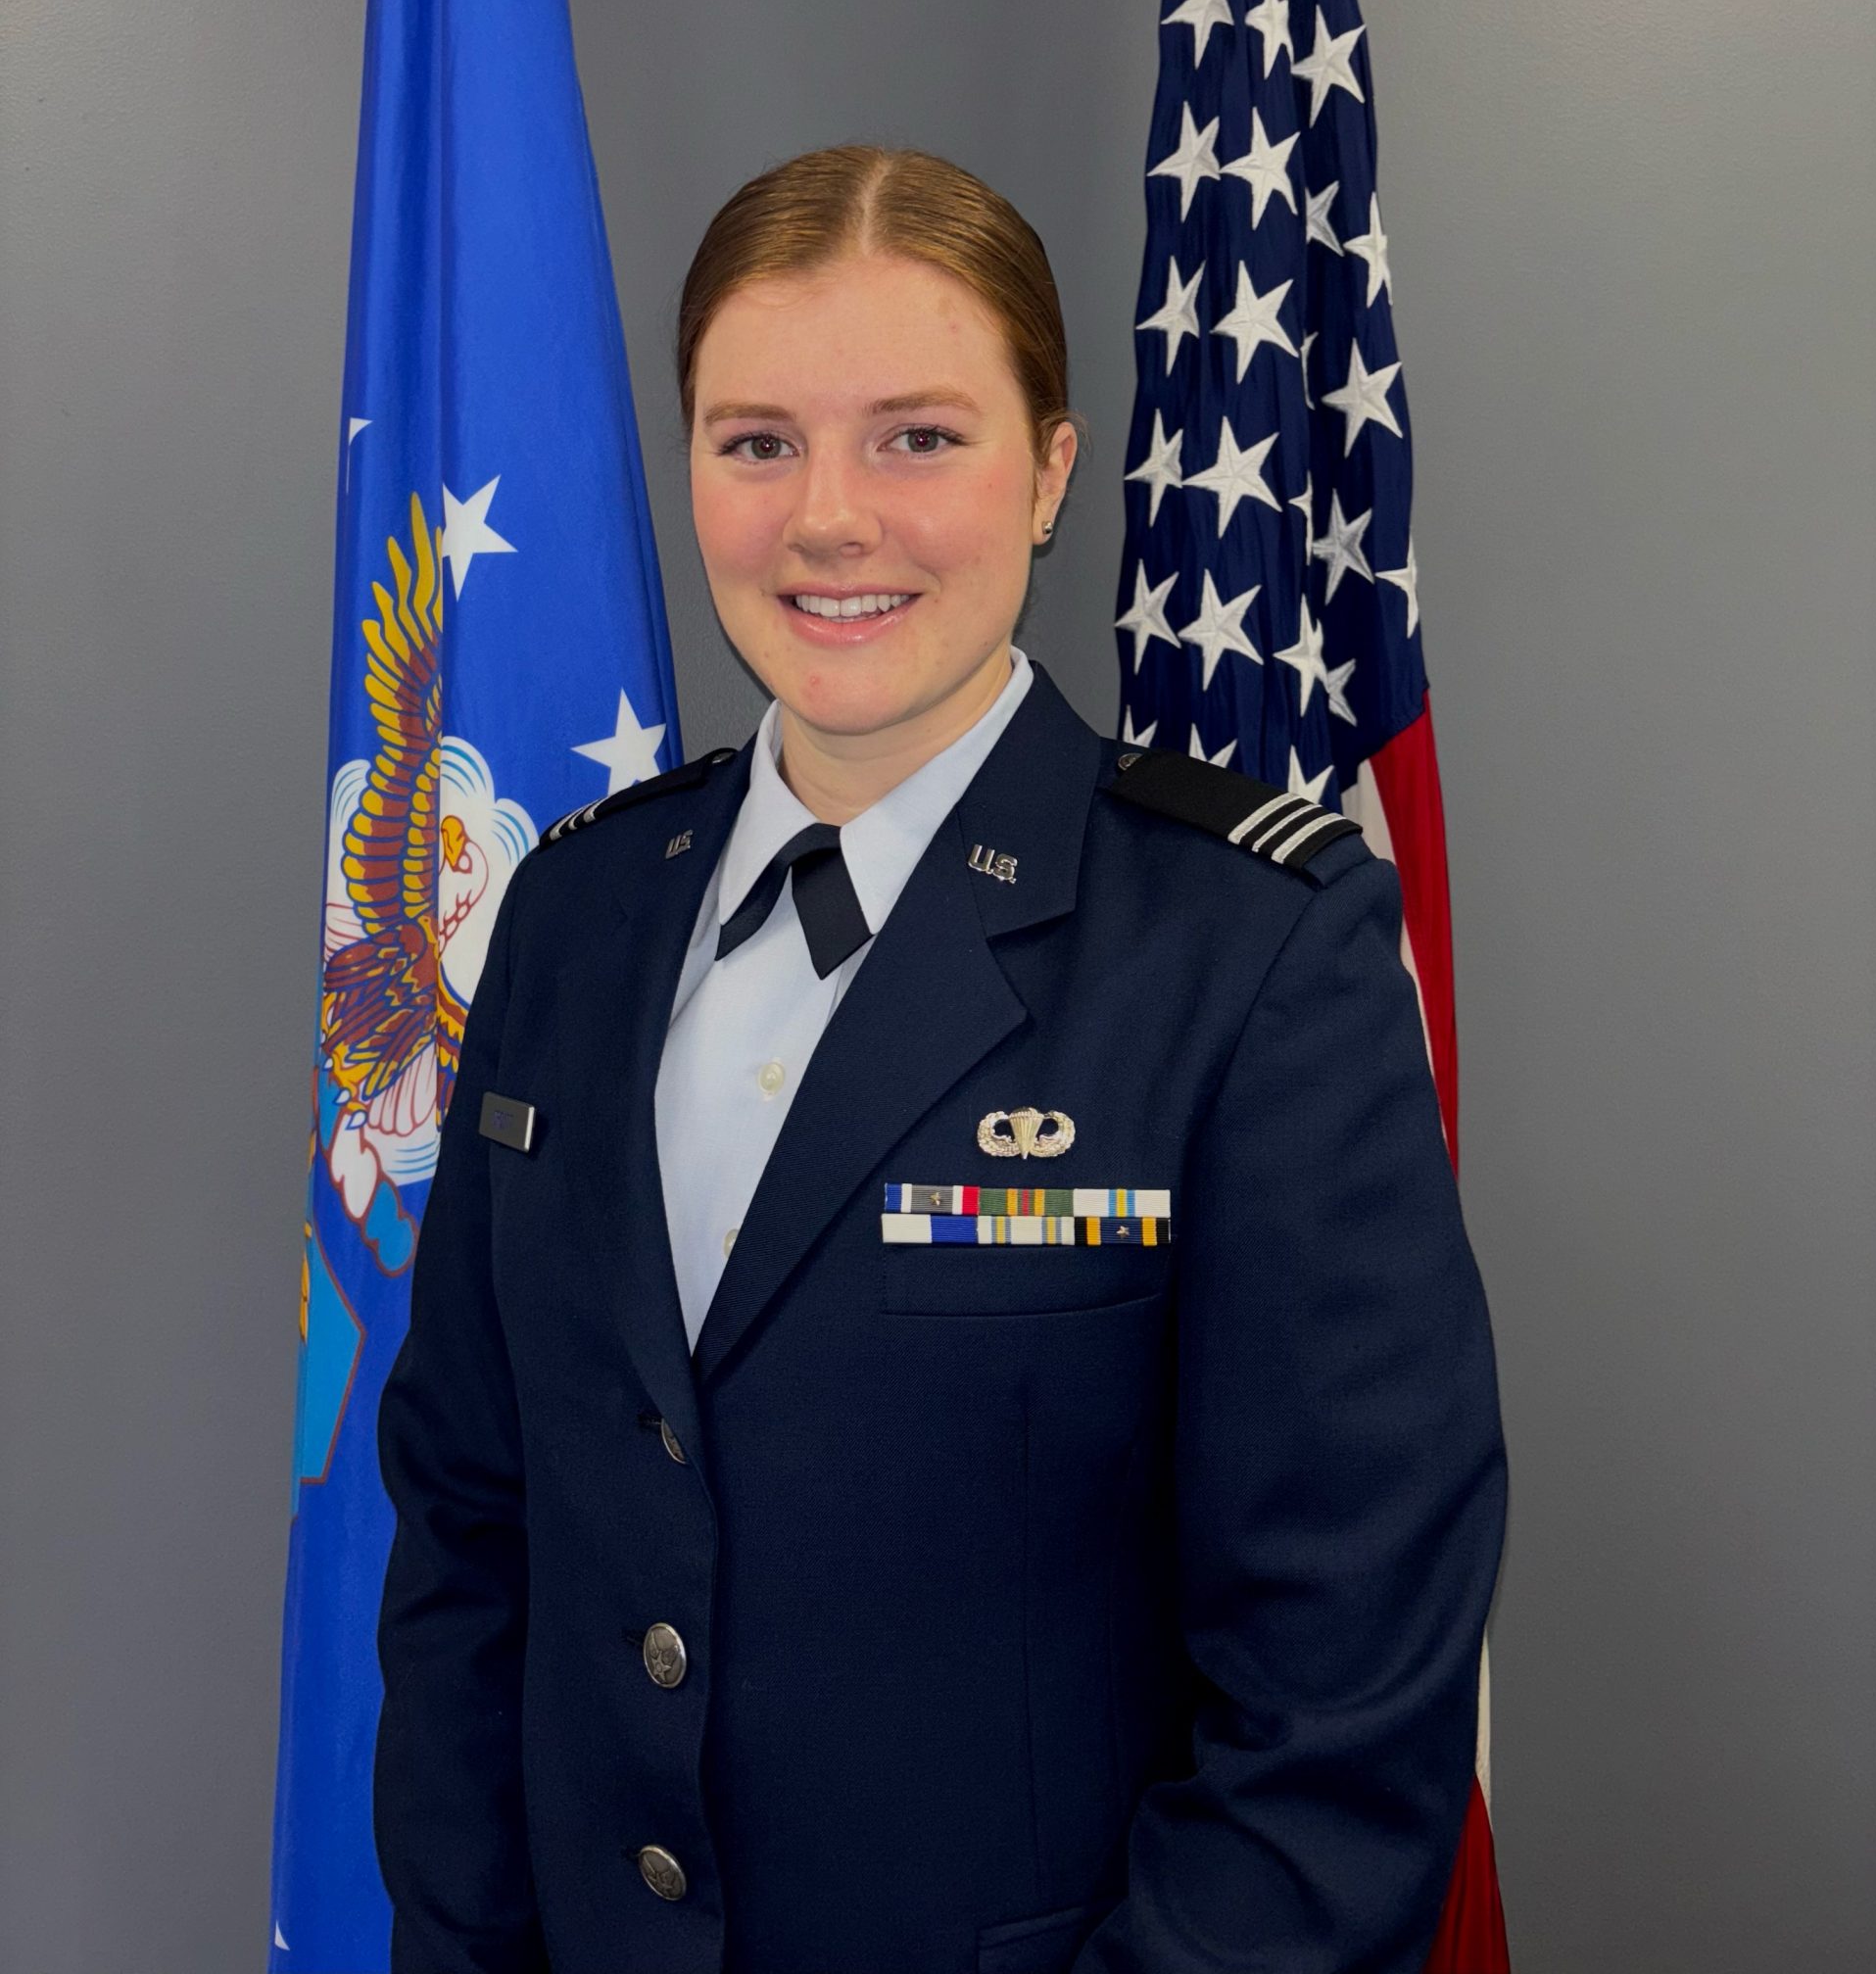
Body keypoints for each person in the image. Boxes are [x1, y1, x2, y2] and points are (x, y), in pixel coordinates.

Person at [373, 145, 1506, 1974]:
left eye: (919, 437)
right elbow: (471, 1550)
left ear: (1053, 469)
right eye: (757, 443)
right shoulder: (571, 928)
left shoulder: (1249, 961)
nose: (829, 518)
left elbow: (1340, 1709)